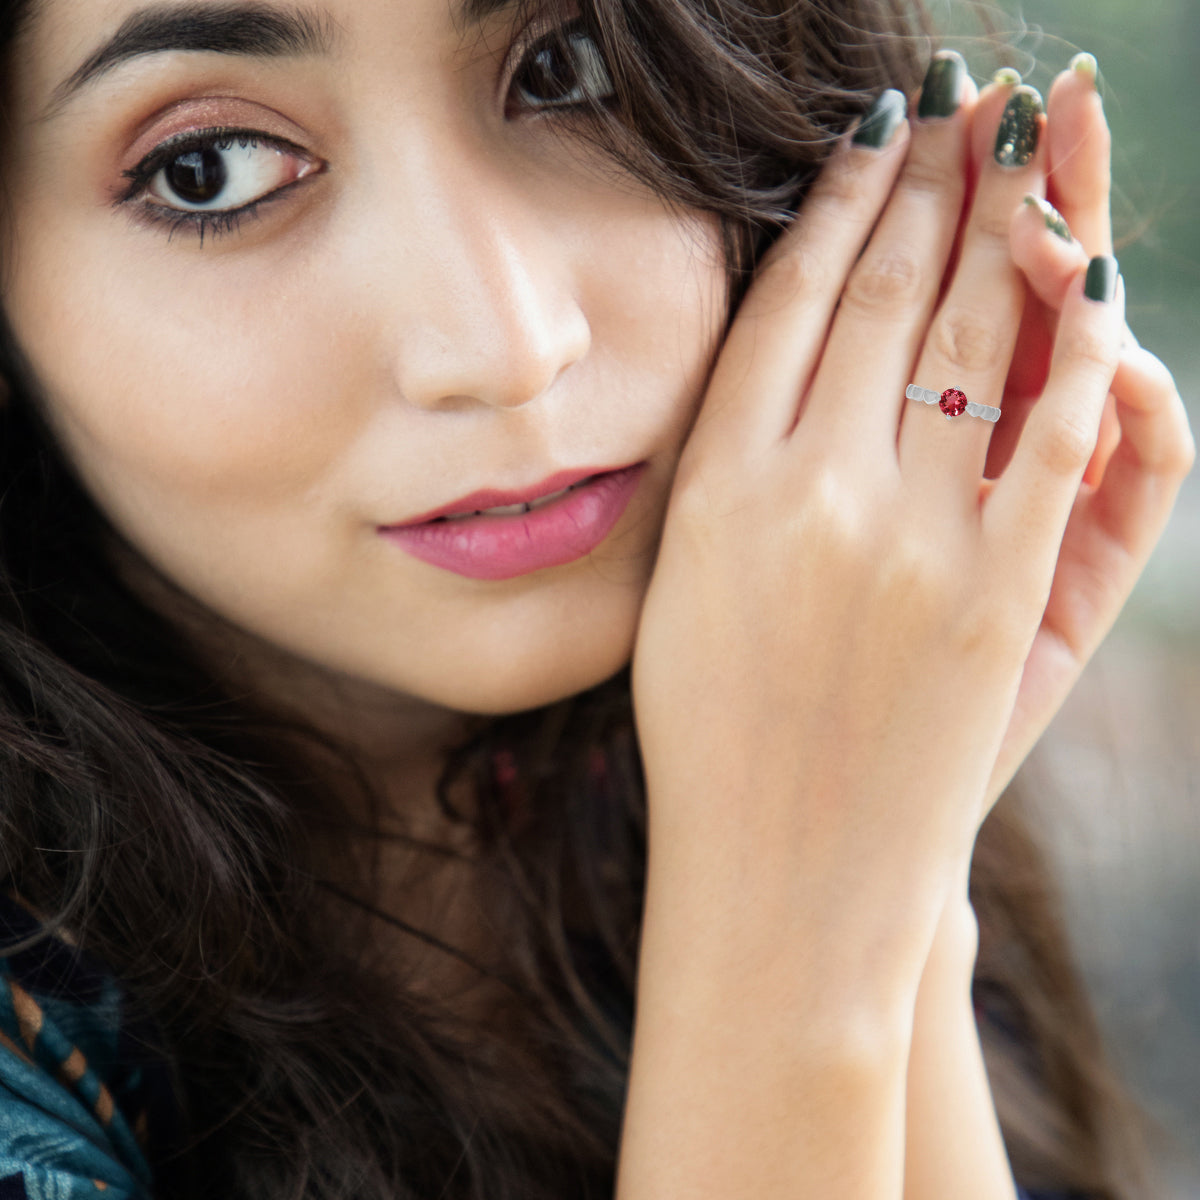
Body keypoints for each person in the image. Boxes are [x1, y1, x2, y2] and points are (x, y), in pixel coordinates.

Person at [0, 0, 1192, 1196]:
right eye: (210, 172)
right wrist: (794, 943)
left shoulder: (745, 727)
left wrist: (884, 858)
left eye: (569, 70)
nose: (508, 345)